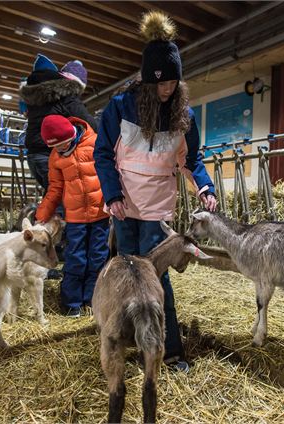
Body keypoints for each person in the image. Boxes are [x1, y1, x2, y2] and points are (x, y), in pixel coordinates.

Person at [93, 11, 217, 373]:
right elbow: (103, 154)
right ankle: (126, 341)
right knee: (125, 280)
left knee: (156, 280)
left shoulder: (184, 117)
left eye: (173, 84)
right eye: (161, 84)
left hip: (157, 209)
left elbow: (193, 160)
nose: (167, 90)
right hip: (124, 207)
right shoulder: (120, 108)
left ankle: (170, 350)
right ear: (148, 82)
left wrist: (204, 187)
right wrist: (112, 194)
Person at [35, 114, 110, 317]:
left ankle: (93, 301)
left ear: (71, 135)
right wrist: (42, 213)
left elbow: (109, 172)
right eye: (55, 146)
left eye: (62, 144)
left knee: (98, 258)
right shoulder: (56, 157)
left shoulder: (95, 143)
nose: (59, 149)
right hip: (75, 218)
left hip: (100, 214)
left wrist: (113, 199)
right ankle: (71, 304)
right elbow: (55, 188)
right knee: (75, 259)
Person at [20, 55, 97, 192]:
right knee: (62, 201)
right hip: (50, 155)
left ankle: (39, 213)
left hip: (33, 155)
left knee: (54, 197)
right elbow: (87, 121)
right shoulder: (66, 96)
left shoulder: (37, 97)